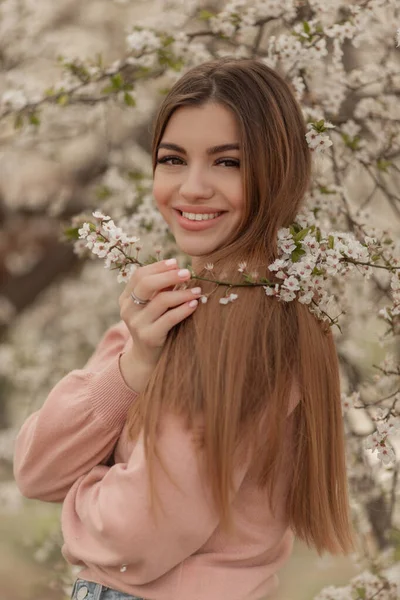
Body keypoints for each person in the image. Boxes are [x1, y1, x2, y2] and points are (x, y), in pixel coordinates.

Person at [13, 57, 356, 600]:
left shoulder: (245, 322)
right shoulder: (176, 306)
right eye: (173, 160)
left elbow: (135, 534)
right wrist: (132, 368)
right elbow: (35, 470)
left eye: (228, 163)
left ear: (277, 171)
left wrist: (85, 490)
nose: (192, 187)